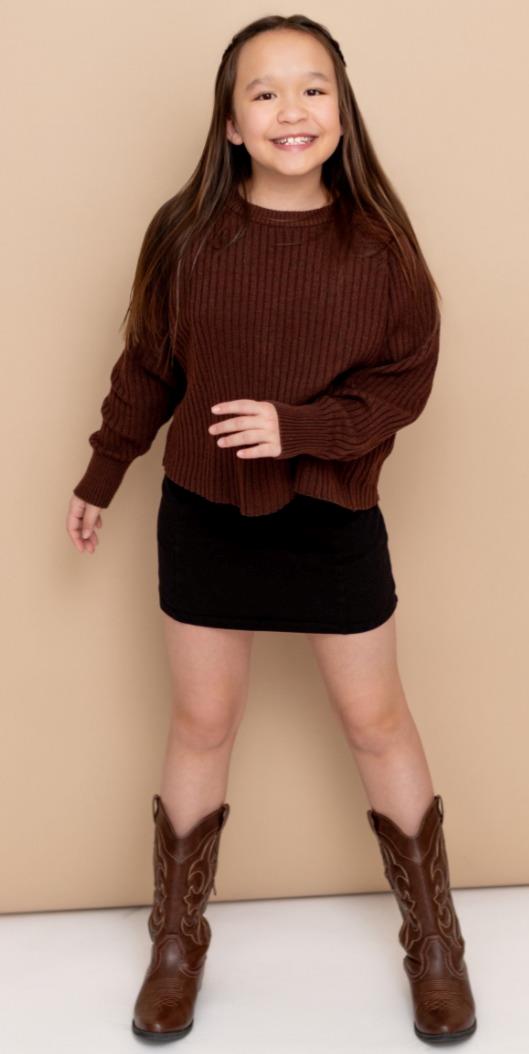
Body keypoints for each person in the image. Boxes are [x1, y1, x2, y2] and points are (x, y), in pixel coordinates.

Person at [66, 13, 477, 1046]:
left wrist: (298, 430)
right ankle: (176, 942)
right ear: (230, 122)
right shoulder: (185, 236)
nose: (291, 110)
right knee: (201, 723)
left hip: (331, 517)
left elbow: (403, 385)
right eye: (264, 92)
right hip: (204, 513)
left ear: (341, 110)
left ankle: (436, 942)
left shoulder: (380, 251)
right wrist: (104, 471)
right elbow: (148, 365)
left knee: (376, 721)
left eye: (312, 88)